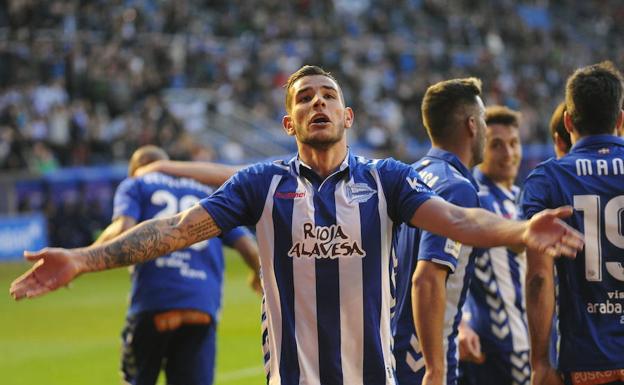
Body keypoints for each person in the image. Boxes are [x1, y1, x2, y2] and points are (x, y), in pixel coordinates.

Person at [10, 65, 584, 385]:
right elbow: (176, 229)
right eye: (305, 97)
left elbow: (458, 218)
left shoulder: (385, 180)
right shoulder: (262, 185)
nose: (318, 104)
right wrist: (83, 258)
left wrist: (520, 231)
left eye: (328, 96)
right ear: (289, 120)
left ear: (347, 116)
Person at [94, 145, 261, 385]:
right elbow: (247, 246)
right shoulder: (206, 193)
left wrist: (84, 258)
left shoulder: (136, 184)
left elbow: (123, 229)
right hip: (201, 305)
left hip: (153, 302)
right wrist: (257, 274)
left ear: (135, 171)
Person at [521, 61, 624, 385]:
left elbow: (539, 276)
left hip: (586, 361)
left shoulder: (547, 179)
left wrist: (540, 362)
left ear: (568, 121)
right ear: (621, 120)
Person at [392, 77, 486, 385]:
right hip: (420, 359)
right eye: (483, 120)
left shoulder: (410, 176)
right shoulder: (456, 189)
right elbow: (427, 280)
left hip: (388, 348)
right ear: (472, 125)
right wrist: (434, 368)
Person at [459, 106, 529, 385]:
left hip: (527, 343)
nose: (508, 154)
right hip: (492, 345)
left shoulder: (518, 197)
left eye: (513, 144)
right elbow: (443, 270)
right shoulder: (472, 196)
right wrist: (462, 324)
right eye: (497, 145)